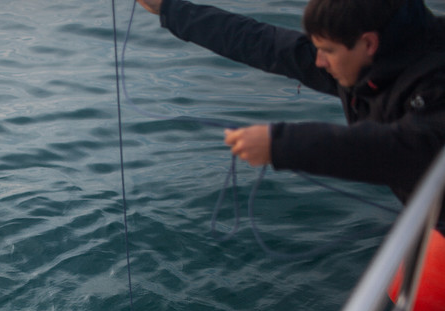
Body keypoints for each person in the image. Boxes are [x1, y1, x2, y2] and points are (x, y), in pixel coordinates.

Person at [135, 0, 445, 231]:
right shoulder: (366, 57)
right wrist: (171, 9)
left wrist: (280, 143)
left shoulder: (433, 82)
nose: (319, 62)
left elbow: (409, 149)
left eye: (327, 51)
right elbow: (263, 43)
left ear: (368, 43)